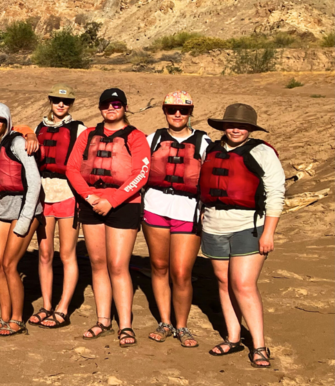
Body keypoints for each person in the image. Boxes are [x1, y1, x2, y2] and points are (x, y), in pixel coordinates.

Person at [200, 104, 284, 368]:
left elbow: (275, 193)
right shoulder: (211, 149)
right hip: (213, 226)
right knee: (224, 283)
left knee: (243, 284)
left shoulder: (261, 152)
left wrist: (268, 232)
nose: (236, 129)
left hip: (249, 226)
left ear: (251, 129)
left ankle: (259, 345)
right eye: (231, 124)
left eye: (243, 125)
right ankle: (234, 337)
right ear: (223, 126)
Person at [66, 88, 150, 348]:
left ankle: (125, 325)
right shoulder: (88, 134)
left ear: (124, 107)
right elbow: (71, 168)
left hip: (123, 204)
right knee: (98, 263)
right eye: (105, 104)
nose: (110, 108)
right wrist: (90, 198)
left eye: (116, 104)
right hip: (91, 203)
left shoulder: (136, 137)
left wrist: (111, 201)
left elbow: (141, 173)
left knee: (118, 265)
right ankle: (103, 320)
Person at [143, 91, 211, 348]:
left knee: (181, 272)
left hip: (188, 211)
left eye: (183, 110)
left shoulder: (204, 142)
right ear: (165, 111)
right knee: (159, 266)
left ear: (191, 112)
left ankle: (181, 325)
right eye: (172, 109)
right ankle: (164, 321)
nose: (177, 114)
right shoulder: (153, 139)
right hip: (154, 208)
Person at [0, 103, 42, 337]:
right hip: (3, 208)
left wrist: (26, 218)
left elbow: (34, 182)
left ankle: (18, 320)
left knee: (9, 264)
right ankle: (4, 317)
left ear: (7, 121)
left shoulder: (17, 142)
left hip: (24, 208)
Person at [29, 85, 85, 329]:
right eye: (57, 101)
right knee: (44, 253)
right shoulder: (38, 128)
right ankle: (47, 305)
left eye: (66, 102)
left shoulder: (79, 129)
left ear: (71, 104)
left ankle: (63, 308)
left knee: (67, 253)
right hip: (43, 195)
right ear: (50, 101)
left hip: (68, 195)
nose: (61, 105)